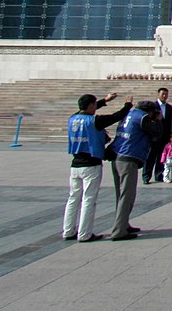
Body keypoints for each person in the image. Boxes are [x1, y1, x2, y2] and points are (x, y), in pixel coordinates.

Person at [63, 92, 132, 242]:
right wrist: (127, 105)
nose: (96, 107)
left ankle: (68, 231)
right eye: (94, 105)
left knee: (73, 198)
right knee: (89, 199)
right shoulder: (95, 121)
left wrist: (104, 101)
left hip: (75, 164)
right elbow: (116, 116)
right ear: (90, 106)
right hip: (91, 164)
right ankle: (85, 234)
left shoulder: (73, 118)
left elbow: (84, 110)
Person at [109, 100, 163, 240]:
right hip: (128, 159)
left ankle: (123, 224)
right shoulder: (142, 117)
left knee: (121, 195)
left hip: (117, 156)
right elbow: (157, 132)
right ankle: (119, 231)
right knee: (127, 196)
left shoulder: (130, 114)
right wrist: (157, 120)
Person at [143, 87, 172, 184]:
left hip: (164, 136)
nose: (164, 96)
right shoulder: (152, 107)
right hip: (154, 136)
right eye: (163, 94)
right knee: (150, 157)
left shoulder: (169, 107)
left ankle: (159, 175)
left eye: (166, 94)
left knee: (161, 157)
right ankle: (146, 176)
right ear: (158, 94)